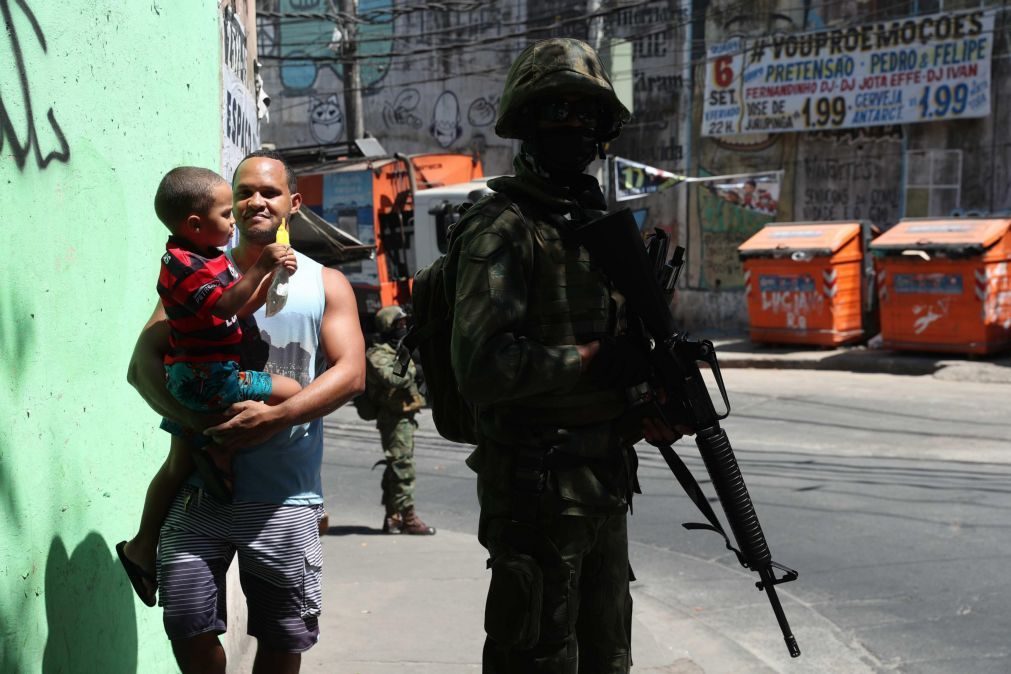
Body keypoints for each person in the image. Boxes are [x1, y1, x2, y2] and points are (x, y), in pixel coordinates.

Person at [449, 38, 678, 673]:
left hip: (603, 483)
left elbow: (623, 351)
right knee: (540, 659)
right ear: (526, 123)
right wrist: (593, 359)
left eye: (587, 116)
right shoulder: (503, 229)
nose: (574, 128)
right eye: (556, 113)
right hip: (534, 489)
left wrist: (646, 405)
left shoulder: (594, 230)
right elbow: (483, 368)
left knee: (609, 657)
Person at [126, 150, 365, 674]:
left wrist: (277, 417)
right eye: (244, 192)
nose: (256, 200)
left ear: (293, 204)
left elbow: (352, 373)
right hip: (200, 495)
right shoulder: (199, 274)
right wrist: (195, 425)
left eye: (270, 192)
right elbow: (141, 366)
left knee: (282, 640)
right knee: (187, 624)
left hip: (284, 497)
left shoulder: (326, 283)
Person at [116, 167, 302, 608]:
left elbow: (241, 303)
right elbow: (226, 304)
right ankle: (217, 450)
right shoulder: (182, 265)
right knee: (293, 393)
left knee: (177, 464)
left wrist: (267, 277)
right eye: (229, 210)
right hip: (208, 378)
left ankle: (142, 546)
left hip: (196, 375)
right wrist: (263, 264)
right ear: (195, 224)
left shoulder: (207, 252)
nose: (237, 218)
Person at [364, 305, 436, 535]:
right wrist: (408, 357)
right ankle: (409, 518)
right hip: (392, 418)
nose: (403, 328)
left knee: (396, 466)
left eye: (405, 324)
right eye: (398, 325)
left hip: (404, 415)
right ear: (387, 326)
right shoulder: (377, 353)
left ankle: (393, 517)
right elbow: (394, 378)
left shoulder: (395, 350)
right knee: (403, 466)